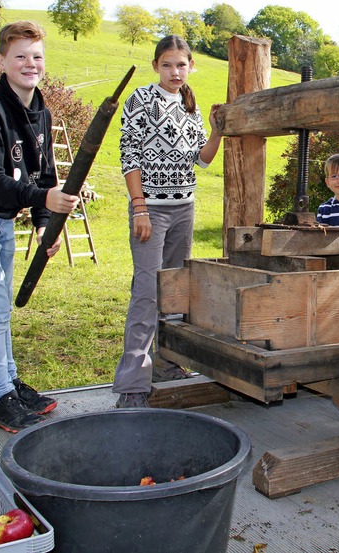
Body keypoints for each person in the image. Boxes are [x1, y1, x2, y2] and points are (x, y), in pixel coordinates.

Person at [0, 21, 79, 432]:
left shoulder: (41, 112)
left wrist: (44, 225)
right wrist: (42, 200)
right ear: (2, 60)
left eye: (37, 56)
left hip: (2, 218)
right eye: (20, 55)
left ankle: (9, 384)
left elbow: (45, 176)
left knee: (0, 309)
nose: (30, 63)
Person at [112, 35, 223, 409]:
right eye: (167, 65)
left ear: (191, 66)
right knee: (146, 291)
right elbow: (129, 156)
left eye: (181, 65)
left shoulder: (191, 106)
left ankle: (166, 364)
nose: (175, 72)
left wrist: (217, 129)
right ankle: (132, 383)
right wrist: (139, 207)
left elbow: (203, 160)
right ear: (156, 66)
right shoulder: (141, 100)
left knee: (173, 289)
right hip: (151, 210)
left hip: (184, 209)